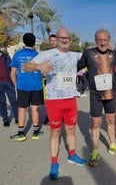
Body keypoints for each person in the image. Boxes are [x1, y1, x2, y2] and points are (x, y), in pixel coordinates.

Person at [22, 28, 85, 180]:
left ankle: (72, 154)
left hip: (70, 99)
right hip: (54, 101)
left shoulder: (75, 55)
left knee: (71, 130)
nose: (64, 40)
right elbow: (25, 67)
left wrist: (107, 49)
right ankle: (54, 162)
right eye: (61, 37)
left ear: (70, 40)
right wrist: (38, 66)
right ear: (56, 39)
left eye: (67, 38)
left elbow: (93, 56)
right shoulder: (46, 54)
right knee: (55, 132)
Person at [77, 29, 116, 167]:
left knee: (111, 121)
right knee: (96, 124)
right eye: (99, 39)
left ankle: (112, 145)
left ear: (109, 39)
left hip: (110, 94)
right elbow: (77, 68)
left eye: (105, 39)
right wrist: (86, 80)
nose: (102, 42)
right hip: (96, 96)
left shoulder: (114, 54)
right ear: (95, 40)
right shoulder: (88, 53)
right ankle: (95, 151)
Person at [10, 33, 44, 141]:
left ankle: (21, 133)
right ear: (34, 43)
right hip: (36, 86)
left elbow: (12, 73)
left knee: (22, 109)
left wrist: (16, 85)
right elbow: (44, 72)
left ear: (24, 42)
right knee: (35, 109)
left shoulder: (17, 55)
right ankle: (36, 132)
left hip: (22, 86)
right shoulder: (38, 55)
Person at [0, 50, 18, 126]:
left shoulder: (6, 57)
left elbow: (12, 69)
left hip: (9, 82)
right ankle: (5, 120)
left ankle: (17, 117)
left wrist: (14, 81)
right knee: (2, 102)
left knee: (13, 101)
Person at [43, 34, 57, 125]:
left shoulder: (62, 52)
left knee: (59, 100)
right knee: (49, 100)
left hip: (59, 80)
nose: (52, 42)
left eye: (54, 40)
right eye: (51, 40)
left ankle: (60, 116)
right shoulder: (47, 53)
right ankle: (49, 117)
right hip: (49, 79)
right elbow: (43, 64)